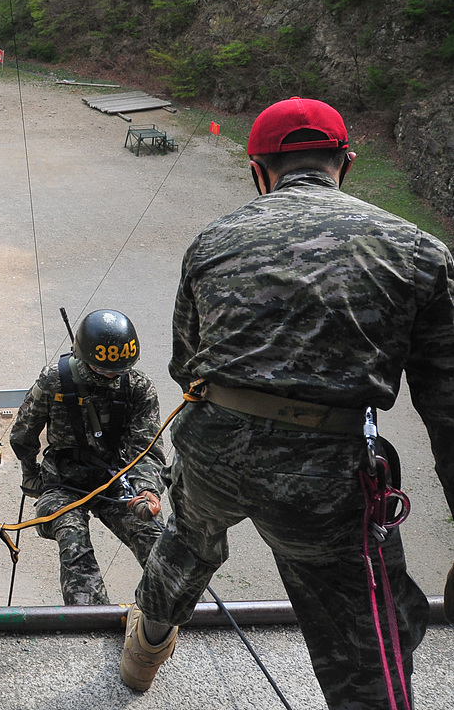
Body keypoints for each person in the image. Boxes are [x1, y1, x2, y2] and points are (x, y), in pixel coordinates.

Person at [122, 97, 454, 708]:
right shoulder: (418, 251)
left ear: (258, 169)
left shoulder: (213, 241)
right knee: (366, 629)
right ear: (345, 163)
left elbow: (185, 361)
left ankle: (143, 650)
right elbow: (449, 411)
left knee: (188, 542)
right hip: (323, 477)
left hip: (213, 451)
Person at [10, 309, 165, 606]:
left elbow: (146, 449)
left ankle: (159, 619)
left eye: (119, 370)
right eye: (104, 369)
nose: (112, 376)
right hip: (62, 484)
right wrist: (31, 476)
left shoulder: (138, 388)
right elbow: (23, 434)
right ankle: (91, 621)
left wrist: (147, 490)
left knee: (159, 545)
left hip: (115, 481)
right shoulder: (55, 381)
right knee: (74, 547)